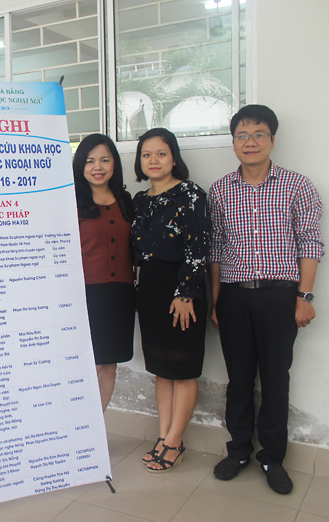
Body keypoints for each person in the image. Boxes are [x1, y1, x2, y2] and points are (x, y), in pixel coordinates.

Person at [209, 105, 324, 494]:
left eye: (258, 134)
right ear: (233, 143)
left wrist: (304, 296)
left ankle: (272, 457)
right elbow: (216, 250)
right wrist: (216, 301)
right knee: (239, 379)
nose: (250, 142)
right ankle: (239, 450)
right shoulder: (220, 190)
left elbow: (310, 242)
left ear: (272, 139)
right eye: (242, 136)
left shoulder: (297, 185)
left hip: (280, 297)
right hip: (235, 297)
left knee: (275, 379)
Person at [131, 128, 210, 473]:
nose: (154, 160)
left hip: (181, 291)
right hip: (149, 290)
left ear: (174, 158)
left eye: (161, 153)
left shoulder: (190, 194)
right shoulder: (139, 200)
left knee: (182, 370)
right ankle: (163, 436)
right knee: (161, 370)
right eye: (146, 154)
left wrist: (186, 292)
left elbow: (199, 247)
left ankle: (176, 442)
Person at [73, 134, 135, 411]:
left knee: (109, 364)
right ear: (80, 165)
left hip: (120, 294)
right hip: (85, 293)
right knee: (87, 364)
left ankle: (96, 428)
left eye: (104, 160)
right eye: (90, 161)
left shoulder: (126, 201)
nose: (97, 167)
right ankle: (79, 426)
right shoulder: (70, 202)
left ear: (114, 164)